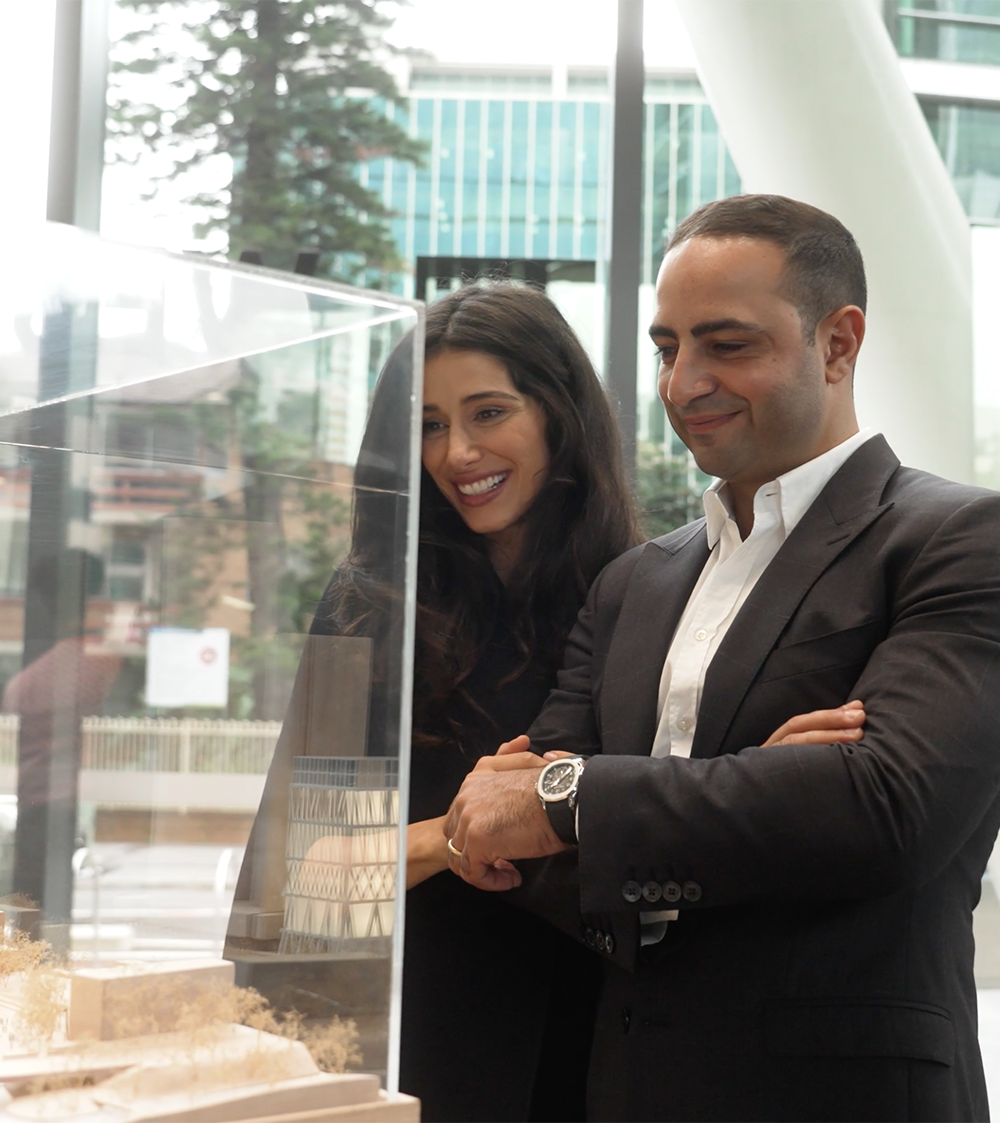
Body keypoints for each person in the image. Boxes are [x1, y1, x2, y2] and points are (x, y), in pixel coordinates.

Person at [442, 195, 1000, 1122]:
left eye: (727, 344)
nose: (683, 382)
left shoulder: (967, 541)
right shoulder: (631, 584)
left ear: (838, 343)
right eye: (667, 348)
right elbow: (520, 851)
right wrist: (757, 788)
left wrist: (574, 799)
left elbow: (886, 812)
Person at [230, 282, 865, 1123]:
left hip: (609, 1037)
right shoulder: (369, 606)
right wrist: (457, 835)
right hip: (424, 1038)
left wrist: (757, 782)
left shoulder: (655, 592)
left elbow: (694, 828)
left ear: (558, 414)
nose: (458, 452)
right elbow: (296, 878)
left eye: (489, 412)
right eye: (428, 424)